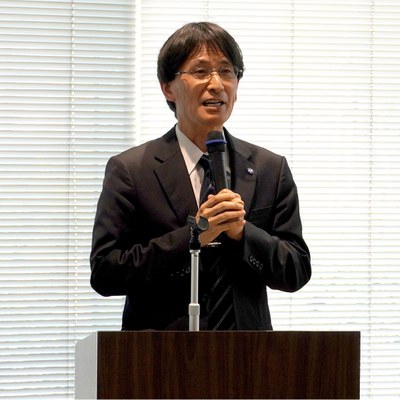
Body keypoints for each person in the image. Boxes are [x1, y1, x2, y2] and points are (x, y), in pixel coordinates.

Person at [90, 21, 311, 331]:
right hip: (159, 353)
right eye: (200, 71)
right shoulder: (131, 170)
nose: (216, 84)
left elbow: (296, 270)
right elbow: (106, 273)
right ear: (168, 87)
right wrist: (194, 237)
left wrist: (242, 232)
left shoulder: (270, 169)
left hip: (250, 353)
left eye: (227, 71)